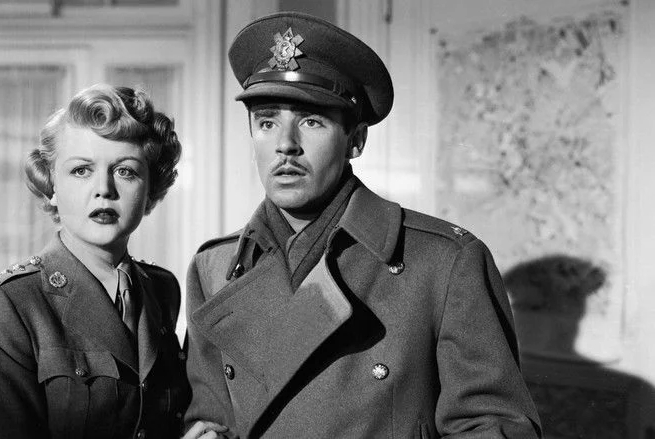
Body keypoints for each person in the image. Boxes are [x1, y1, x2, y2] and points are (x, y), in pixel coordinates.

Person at [183, 12, 542, 438]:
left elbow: (494, 427)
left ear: (355, 140)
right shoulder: (215, 269)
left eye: (311, 122)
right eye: (267, 122)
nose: (285, 145)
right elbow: (209, 420)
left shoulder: (443, 263)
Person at [0, 84, 226, 439]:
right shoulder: (5, 302)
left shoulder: (162, 289)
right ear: (52, 186)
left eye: (125, 171)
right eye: (81, 170)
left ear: (151, 189)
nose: (104, 188)